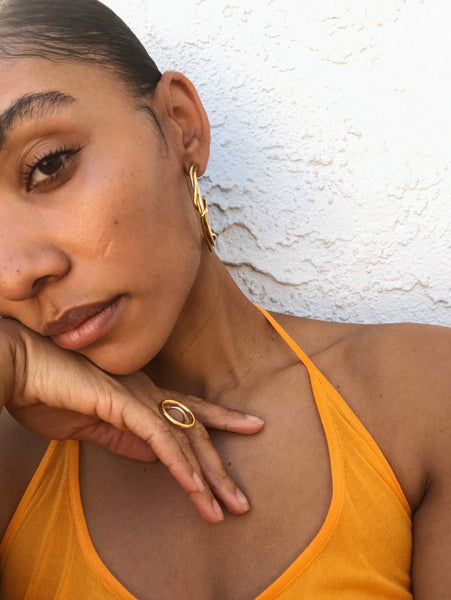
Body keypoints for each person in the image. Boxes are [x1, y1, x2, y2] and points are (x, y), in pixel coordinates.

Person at [0, 0, 449, 598]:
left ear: (181, 125)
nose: (14, 275)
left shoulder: (417, 397)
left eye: (47, 166)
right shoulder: (12, 468)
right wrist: (13, 366)